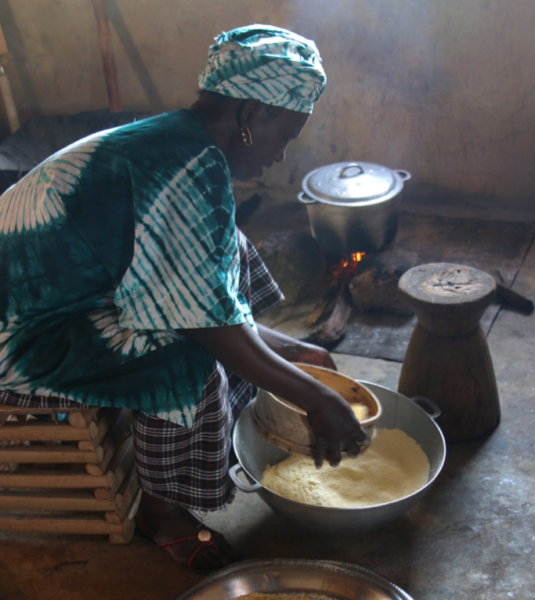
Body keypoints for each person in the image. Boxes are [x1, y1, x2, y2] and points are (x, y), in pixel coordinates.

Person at [0, 25, 367, 570]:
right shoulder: (183, 169)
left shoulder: (178, 142)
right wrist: (313, 396)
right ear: (251, 116)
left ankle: (239, 411)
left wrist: (291, 354)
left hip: (61, 296)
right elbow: (204, 327)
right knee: (188, 359)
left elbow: (201, 293)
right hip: (22, 335)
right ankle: (163, 514)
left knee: (228, 250)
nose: (282, 154)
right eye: (286, 135)